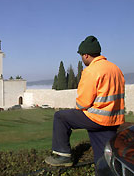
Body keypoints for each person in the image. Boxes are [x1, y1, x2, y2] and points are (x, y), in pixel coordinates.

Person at [45, 36, 125, 168]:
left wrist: (77, 111)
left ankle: (63, 156)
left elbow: (83, 103)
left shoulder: (91, 71)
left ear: (86, 55)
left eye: (81, 55)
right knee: (104, 159)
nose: (81, 59)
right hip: (113, 120)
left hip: (97, 118)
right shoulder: (115, 69)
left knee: (61, 117)